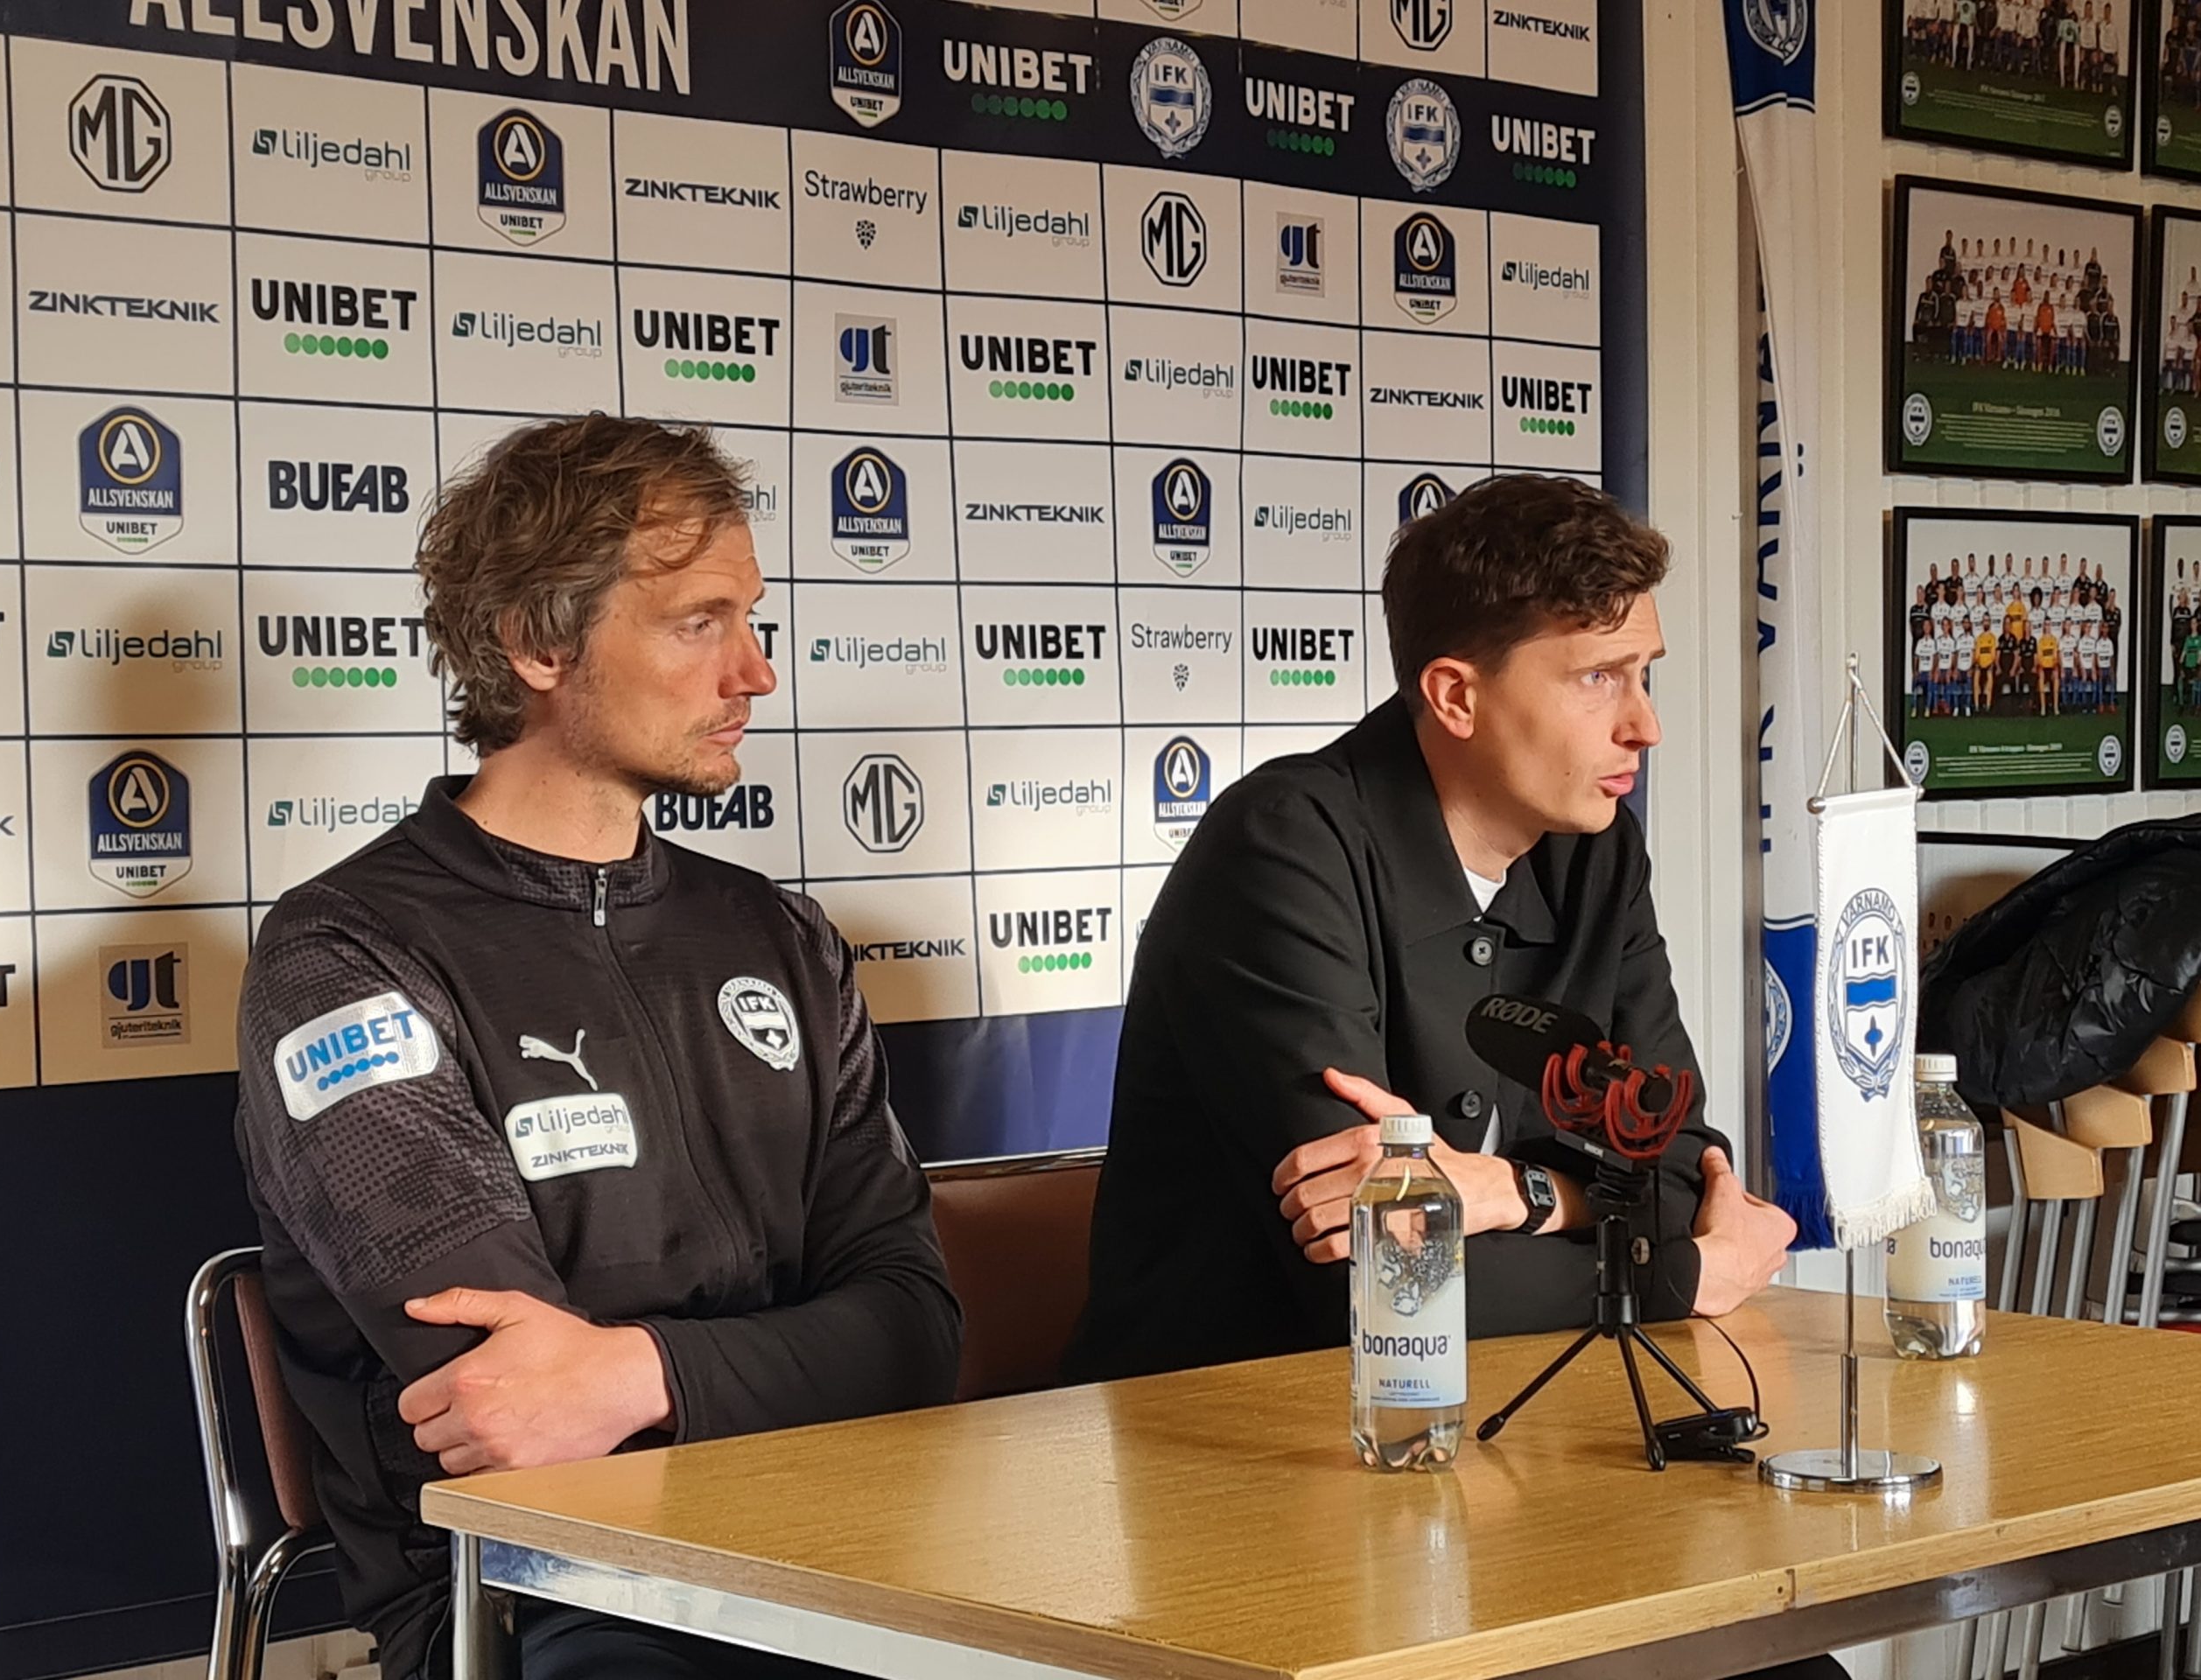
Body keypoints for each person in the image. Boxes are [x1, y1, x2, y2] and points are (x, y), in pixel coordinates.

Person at [232, 416, 963, 1680]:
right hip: (543, 1599)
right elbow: (513, 1411)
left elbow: (915, 1334)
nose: (755, 674)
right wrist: (764, 1372)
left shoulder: (779, 936)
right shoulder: (343, 958)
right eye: (698, 623)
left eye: (752, 620)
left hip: (848, 1549)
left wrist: (636, 1370)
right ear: (537, 643)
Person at [1069, 473, 1796, 1375]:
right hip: (1235, 1417)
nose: (1644, 725)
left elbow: (1682, 1175)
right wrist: (1673, 1273)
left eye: (1644, 674)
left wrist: (1510, 1192)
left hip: (1515, 1397)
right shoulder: (1281, 848)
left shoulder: (1598, 851)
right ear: (1455, 696)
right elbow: (1380, 1270)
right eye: (1598, 678)